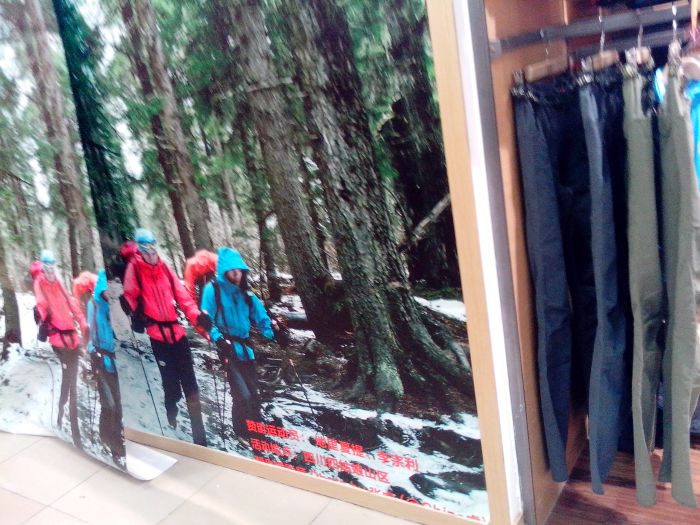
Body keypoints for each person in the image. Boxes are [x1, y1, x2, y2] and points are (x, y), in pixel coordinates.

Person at [120, 228, 211, 446]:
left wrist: (198, 317)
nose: (150, 252)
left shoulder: (164, 267)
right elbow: (130, 295)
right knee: (172, 386)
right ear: (139, 250)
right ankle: (171, 409)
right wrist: (130, 309)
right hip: (158, 337)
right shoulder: (135, 268)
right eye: (145, 248)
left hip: (177, 334)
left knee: (191, 385)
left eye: (153, 247)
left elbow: (183, 297)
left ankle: (200, 439)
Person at [200, 247, 277, 441]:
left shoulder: (247, 293)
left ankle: (256, 430)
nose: (237, 274)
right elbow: (207, 320)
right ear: (224, 270)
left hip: (246, 348)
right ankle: (241, 432)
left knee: (254, 393)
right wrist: (218, 339)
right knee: (241, 394)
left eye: (240, 270)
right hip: (227, 347)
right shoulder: (213, 290)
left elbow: (261, 318)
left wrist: (274, 334)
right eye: (232, 270)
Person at [32, 250, 87, 449]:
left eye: (52, 267)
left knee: (69, 380)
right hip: (58, 341)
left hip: (72, 339)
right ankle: (74, 431)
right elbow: (41, 304)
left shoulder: (58, 282)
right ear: (43, 268)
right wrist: (42, 315)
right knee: (71, 381)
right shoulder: (40, 283)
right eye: (47, 268)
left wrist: (82, 322)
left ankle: (61, 416)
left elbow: (70, 303)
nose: (50, 271)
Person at [74, 270, 126, 465]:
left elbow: (123, 331)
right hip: (99, 359)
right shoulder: (94, 304)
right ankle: (109, 441)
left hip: (114, 361)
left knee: (117, 406)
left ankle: (113, 438)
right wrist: (91, 352)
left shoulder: (115, 306)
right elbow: (90, 331)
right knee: (109, 404)